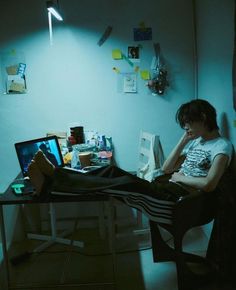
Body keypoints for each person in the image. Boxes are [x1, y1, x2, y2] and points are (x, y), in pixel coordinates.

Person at [28, 99, 233, 209]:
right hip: (167, 186)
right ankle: (55, 175)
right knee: (110, 171)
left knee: (119, 184)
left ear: (204, 118)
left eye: (188, 123)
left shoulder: (221, 147)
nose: (185, 127)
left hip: (182, 199)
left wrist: (181, 177)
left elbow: (209, 184)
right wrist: (184, 139)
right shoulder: (196, 141)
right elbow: (168, 168)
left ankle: (49, 184)